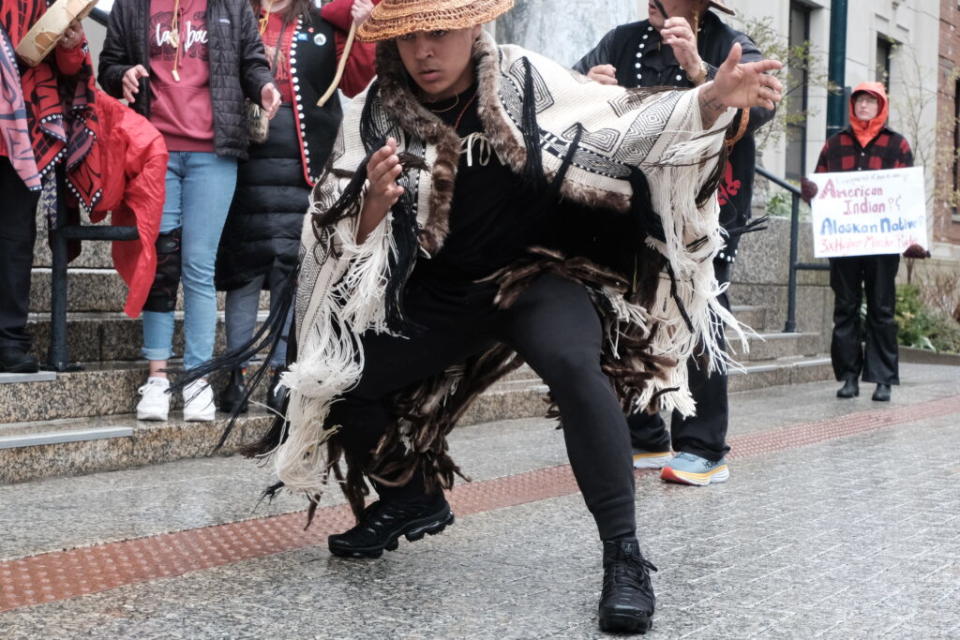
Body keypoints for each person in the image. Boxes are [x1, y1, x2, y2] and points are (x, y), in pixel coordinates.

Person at [195, 0, 781, 632]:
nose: (424, 52)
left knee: (570, 364)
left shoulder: (524, 76)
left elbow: (624, 123)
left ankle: (625, 557)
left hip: (538, 275)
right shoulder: (375, 113)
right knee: (328, 378)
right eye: (411, 36)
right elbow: (331, 228)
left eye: (440, 34)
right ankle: (410, 497)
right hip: (441, 291)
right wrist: (370, 209)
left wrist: (712, 99)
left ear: (474, 26)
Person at [575, 0, 775, 487]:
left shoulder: (731, 43)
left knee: (699, 313)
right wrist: (587, 88)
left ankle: (703, 446)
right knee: (626, 312)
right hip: (633, 205)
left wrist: (699, 70)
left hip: (704, 212)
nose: (651, 4)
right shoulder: (621, 39)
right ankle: (644, 432)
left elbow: (765, 103)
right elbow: (569, 92)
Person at [99, 0, 281, 421]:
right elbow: (108, 67)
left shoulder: (231, 5)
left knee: (199, 265)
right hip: (153, 150)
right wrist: (121, 75)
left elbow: (252, 63)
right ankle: (158, 377)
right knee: (159, 262)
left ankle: (198, 377)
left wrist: (265, 87)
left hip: (213, 152)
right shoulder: (131, 6)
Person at [215, 0, 379, 415]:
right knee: (244, 268)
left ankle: (280, 375)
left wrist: (363, 30)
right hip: (243, 157)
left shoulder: (323, 22)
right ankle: (235, 371)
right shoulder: (239, 15)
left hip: (304, 165)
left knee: (292, 269)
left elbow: (357, 79)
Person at [0, 4, 93, 373]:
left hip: (23, 136)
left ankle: (8, 340)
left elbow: (72, 72)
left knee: (14, 240)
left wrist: (70, 45)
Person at [813, 82, 913, 403]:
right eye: (860, 102)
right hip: (843, 243)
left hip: (882, 244)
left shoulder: (897, 146)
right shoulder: (834, 145)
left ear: (881, 105)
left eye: (871, 102)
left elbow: (906, 193)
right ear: (853, 106)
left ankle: (883, 379)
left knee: (882, 309)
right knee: (845, 308)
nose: (864, 107)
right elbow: (817, 188)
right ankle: (849, 377)